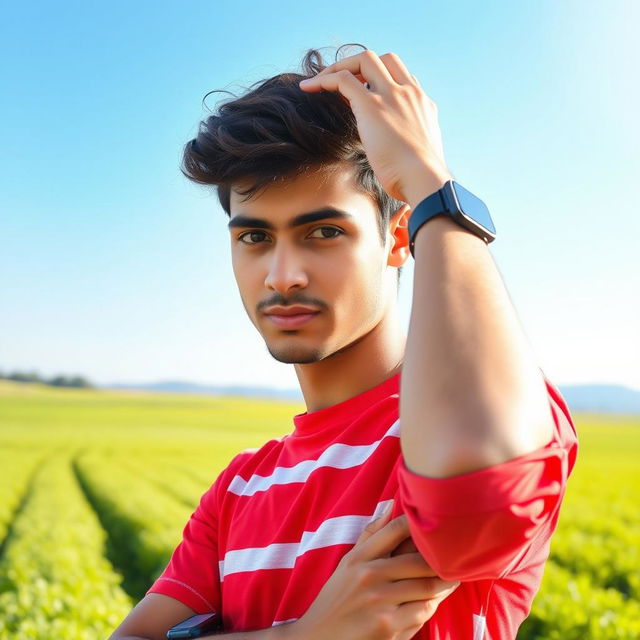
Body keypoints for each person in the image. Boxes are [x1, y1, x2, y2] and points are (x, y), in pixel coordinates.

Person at [110, 43, 578, 640]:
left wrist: (432, 184)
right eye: (254, 238)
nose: (282, 275)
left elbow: (477, 490)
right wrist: (301, 636)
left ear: (400, 237)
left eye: (324, 231)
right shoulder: (239, 489)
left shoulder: (493, 408)